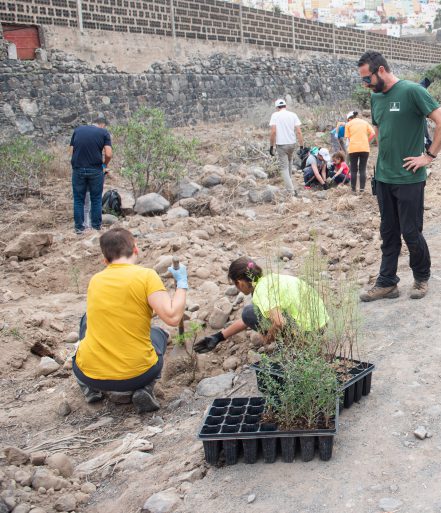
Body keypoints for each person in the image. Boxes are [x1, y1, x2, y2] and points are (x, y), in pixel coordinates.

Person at [356, 51, 441, 301]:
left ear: (381, 70)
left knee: (411, 232)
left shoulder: (412, 91)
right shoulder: (375, 97)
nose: (365, 84)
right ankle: (387, 282)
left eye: (367, 79)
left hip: (409, 178)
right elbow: (378, 127)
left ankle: (421, 277)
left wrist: (428, 157)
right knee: (388, 232)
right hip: (384, 177)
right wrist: (384, 156)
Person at [72, 228, 187, 413]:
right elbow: (173, 317)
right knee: (159, 334)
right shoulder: (146, 276)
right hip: (137, 376)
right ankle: (145, 388)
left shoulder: (95, 280)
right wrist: (182, 284)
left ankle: (90, 389)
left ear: (105, 260)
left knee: (86, 321)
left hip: (90, 375)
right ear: (136, 249)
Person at [193, 257, 328, 354]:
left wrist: (269, 337)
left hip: (309, 332)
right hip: (322, 324)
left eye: (235, 284)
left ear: (240, 283)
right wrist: (218, 337)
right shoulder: (269, 280)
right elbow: (248, 319)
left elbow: (279, 322)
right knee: (251, 312)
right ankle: (302, 343)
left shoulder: (262, 291)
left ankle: (299, 347)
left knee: (248, 312)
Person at [70, 112, 112, 234]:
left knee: (78, 199)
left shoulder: (78, 130)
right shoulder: (103, 132)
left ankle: (79, 228)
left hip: (78, 168)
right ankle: (96, 227)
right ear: (102, 125)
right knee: (96, 199)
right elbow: (108, 154)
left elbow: (71, 151)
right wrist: (104, 165)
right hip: (95, 169)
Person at [269, 98, 305, 197]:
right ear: (285, 106)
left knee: (284, 168)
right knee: (289, 164)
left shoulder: (275, 115)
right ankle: (290, 187)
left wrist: (271, 146)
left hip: (281, 145)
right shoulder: (293, 115)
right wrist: (302, 146)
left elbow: (273, 132)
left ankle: (290, 191)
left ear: (277, 107)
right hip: (292, 144)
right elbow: (299, 132)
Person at [344, 110, 375, 193]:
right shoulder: (365, 122)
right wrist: (367, 141)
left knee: (353, 170)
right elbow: (373, 133)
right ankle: (362, 190)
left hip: (353, 149)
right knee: (362, 169)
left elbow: (348, 138)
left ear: (349, 118)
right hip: (365, 148)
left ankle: (353, 190)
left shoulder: (348, 124)